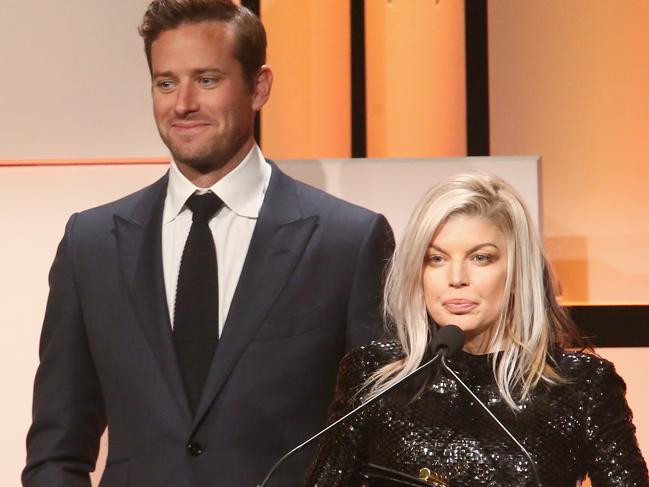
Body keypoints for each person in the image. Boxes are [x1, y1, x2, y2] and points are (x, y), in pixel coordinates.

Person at [22, 1, 393, 486]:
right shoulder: (91, 245)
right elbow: (56, 449)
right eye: (166, 82)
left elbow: (383, 443)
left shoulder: (348, 241)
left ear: (258, 87)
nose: (183, 104)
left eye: (208, 79)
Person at [304, 174, 648, 486]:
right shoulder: (376, 376)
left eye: (480, 258)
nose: (456, 278)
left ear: (517, 270)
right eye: (435, 258)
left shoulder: (581, 386)